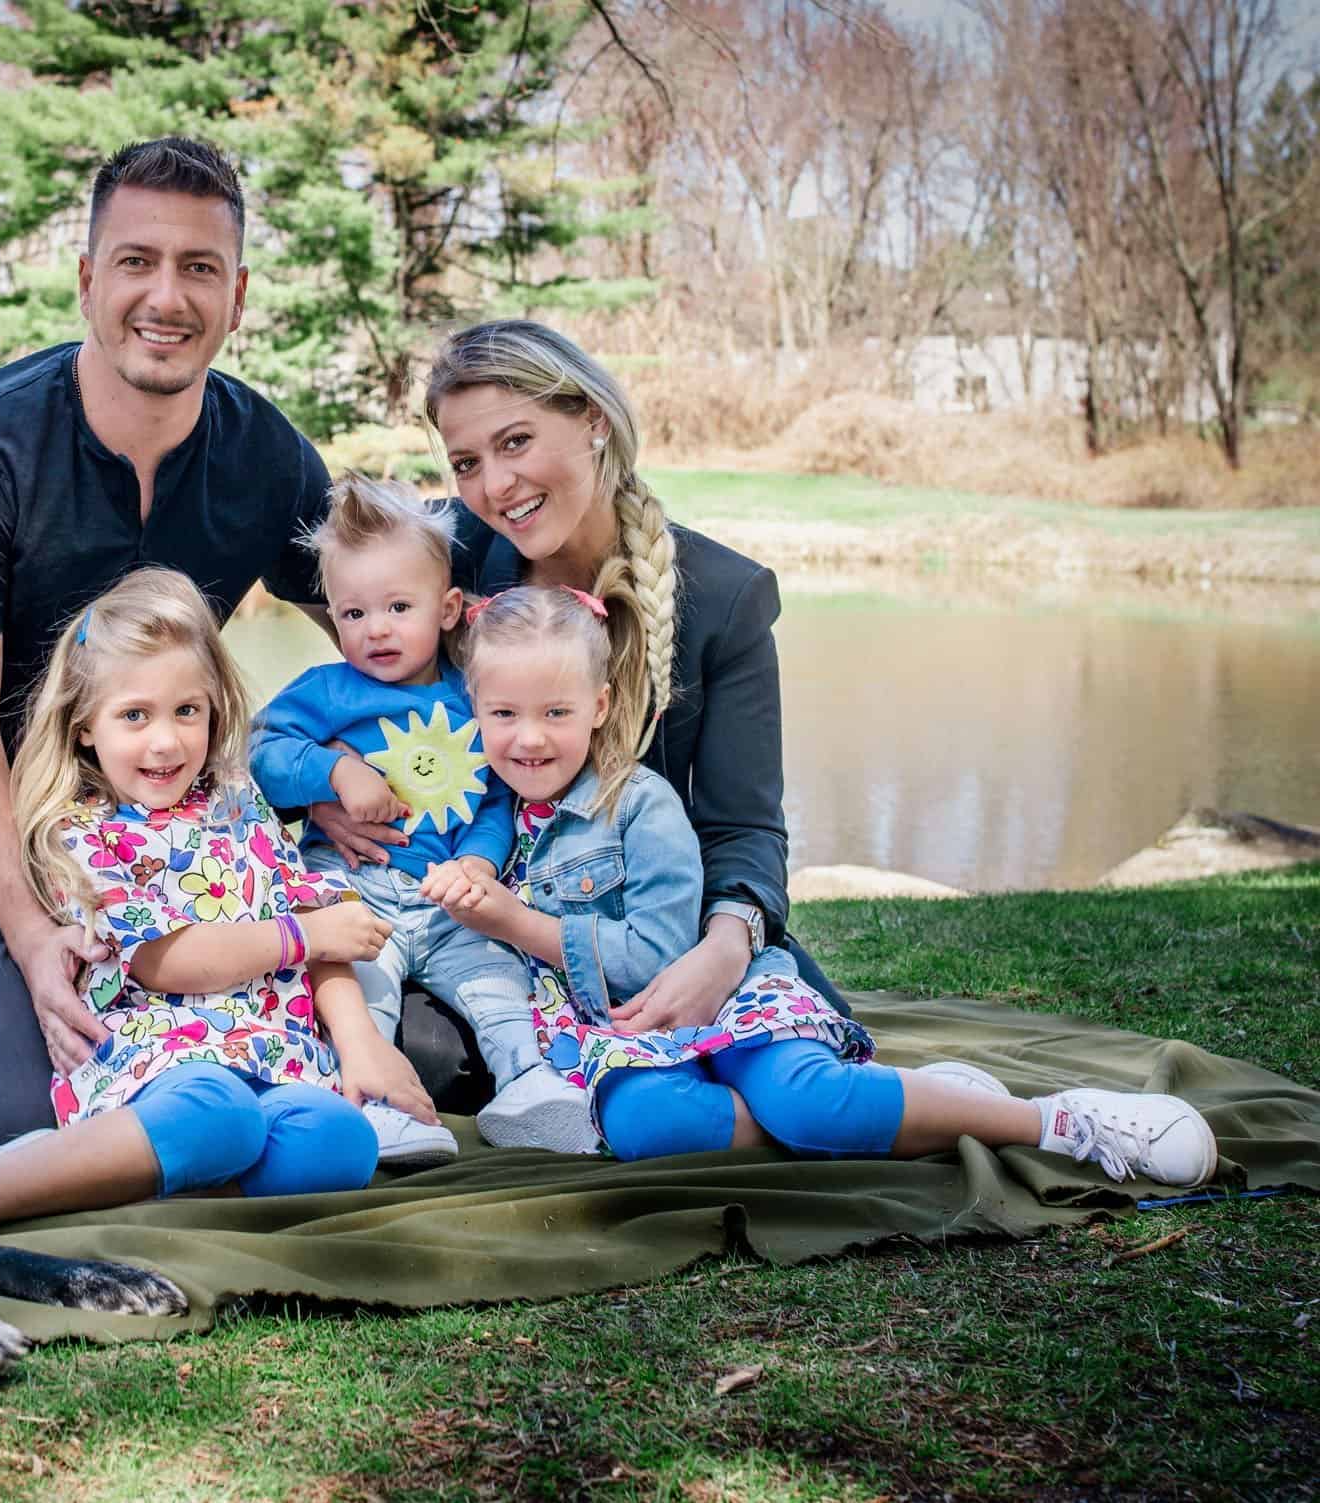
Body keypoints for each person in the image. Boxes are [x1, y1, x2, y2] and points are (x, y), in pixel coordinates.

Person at [0, 138, 335, 1152]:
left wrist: (348, 762)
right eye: (136, 261)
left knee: (321, 1051)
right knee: (4, 1127)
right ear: (85, 281)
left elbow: (388, 626)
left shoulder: (268, 458)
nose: (167, 296)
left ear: (236, 297)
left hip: (159, 814)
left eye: (199, 268)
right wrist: (29, 935)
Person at [422, 582, 1217, 1186]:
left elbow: (657, 957)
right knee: (649, 1128)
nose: (529, 737)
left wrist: (516, 923)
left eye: (555, 711)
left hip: (712, 996)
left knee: (800, 1098)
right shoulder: (488, 818)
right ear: (476, 711)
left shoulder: (640, 805)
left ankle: (1052, 1120)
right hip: (618, 1040)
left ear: (599, 707)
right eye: (505, 714)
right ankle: (904, 1111)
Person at [302, 319, 844, 1104]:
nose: (495, 486)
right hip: (463, 914)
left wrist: (723, 949)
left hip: (632, 922)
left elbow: (745, 828)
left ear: (593, 418)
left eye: (516, 442)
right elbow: (349, 657)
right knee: (433, 1057)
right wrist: (330, 785)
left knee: (800, 1060)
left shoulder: (726, 598)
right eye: (466, 463)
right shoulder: (442, 550)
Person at [0, 569, 439, 1237]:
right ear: (85, 725)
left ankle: (112, 1184)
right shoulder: (81, 829)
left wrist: (358, 1044)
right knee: (217, 1113)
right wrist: (302, 936)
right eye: (134, 715)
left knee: (340, 1140)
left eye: (188, 711)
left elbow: (319, 928)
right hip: (153, 1068)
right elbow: (163, 960)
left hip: (273, 1060)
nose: (165, 740)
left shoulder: (237, 802)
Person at [251, 475, 588, 1161]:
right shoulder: (325, 692)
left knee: (497, 984)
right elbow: (262, 752)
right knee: (357, 989)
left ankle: (530, 1087)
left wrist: (480, 864)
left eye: (398, 606)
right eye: (352, 614)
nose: (375, 629)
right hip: (355, 890)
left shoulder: (476, 697)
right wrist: (335, 773)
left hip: (449, 899)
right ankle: (379, 1107)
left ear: (448, 607)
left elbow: (496, 800)